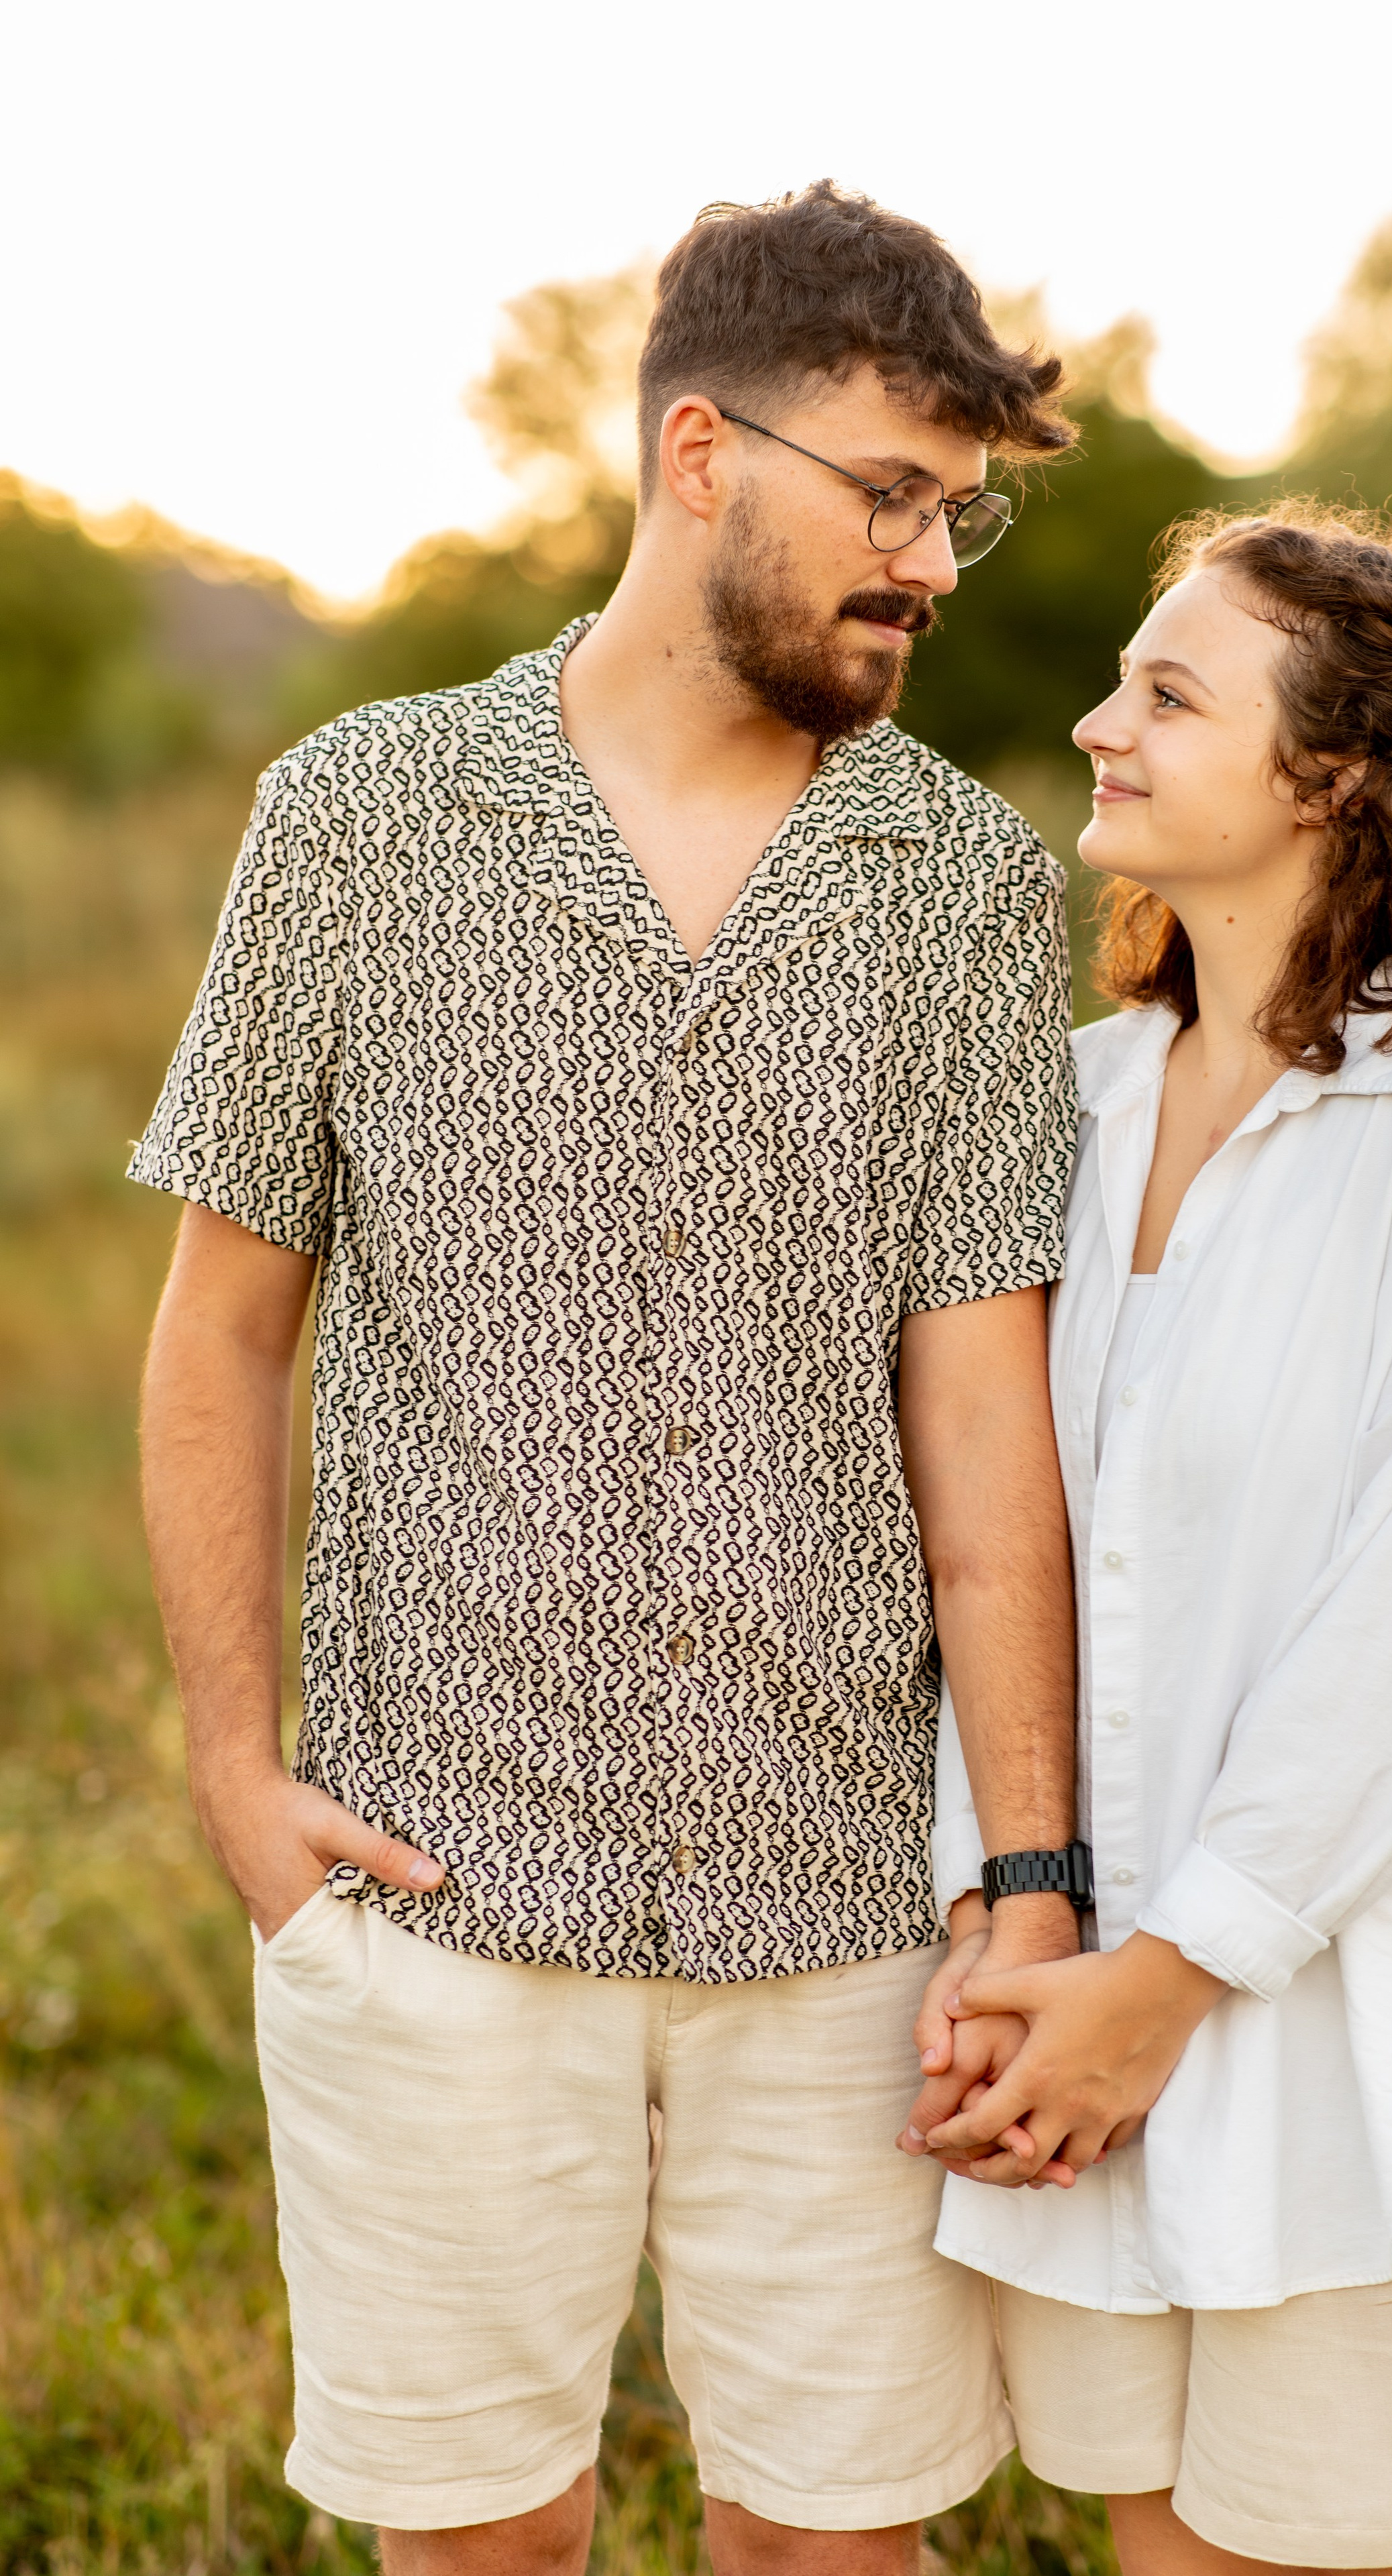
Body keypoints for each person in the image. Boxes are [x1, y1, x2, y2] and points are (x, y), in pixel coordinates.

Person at [133, 182, 1091, 2576]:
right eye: (891, 493)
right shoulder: (356, 821)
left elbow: (981, 1401)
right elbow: (223, 1324)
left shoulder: (972, 884)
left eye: (958, 513)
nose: (932, 562)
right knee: (478, 2543)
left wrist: (1039, 1874)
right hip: (433, 1887)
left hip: (852, 1916)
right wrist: (239, 1777)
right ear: (698, 451)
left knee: (840, 2550)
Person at [906, 502, 1392, 2575]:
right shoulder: (1061, 1110)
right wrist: (1025, 1920)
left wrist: (1162, 1982)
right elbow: (1002, 1562)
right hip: (1105, 2046)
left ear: (1334, 774)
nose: (1096, 725)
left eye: (1168, 693)